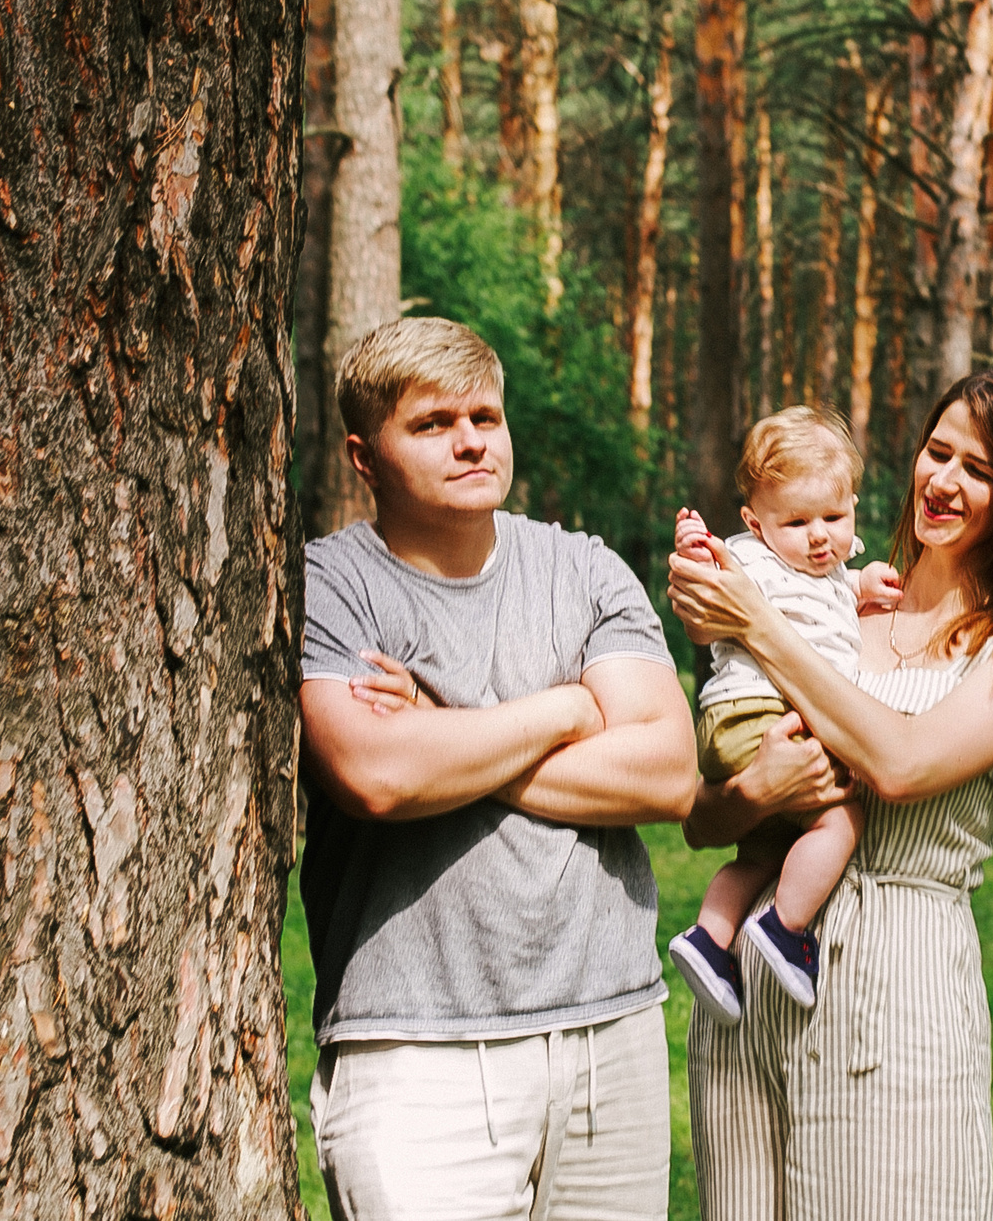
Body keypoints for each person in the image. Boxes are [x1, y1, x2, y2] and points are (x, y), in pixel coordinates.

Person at [667, 367, 993, 1221]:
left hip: (893, 995)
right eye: (935, 452)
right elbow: (702, 819)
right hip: (748, 995)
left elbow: (900, 763)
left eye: (978, 469)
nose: (942, 481)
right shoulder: (839, 603)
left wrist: (754, 616)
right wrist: (754, 791)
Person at [297, 317, 696, 1221]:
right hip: (412, 1050)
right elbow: (375, 776)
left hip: (610, 1034)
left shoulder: (584, 570)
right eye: (433, 423)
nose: (471, 440)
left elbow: (669, 773)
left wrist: (446, 730)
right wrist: (564, 710)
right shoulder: (331, 585)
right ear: (365, 456)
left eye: (486, 415)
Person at [665, 407, 900, 1022]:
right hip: (759, 716)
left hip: (732, 726)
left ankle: (711, 940)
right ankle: (786, 928)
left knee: (760, 855)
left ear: (853, 504)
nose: (819, 536)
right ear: (754, 523)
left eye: (834, 517)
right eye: (796, 522)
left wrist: (862, 583)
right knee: (840, 821)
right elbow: (721, 575)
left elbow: (828, 591)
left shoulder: (823, 571)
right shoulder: (754, 558)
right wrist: (697, 547)